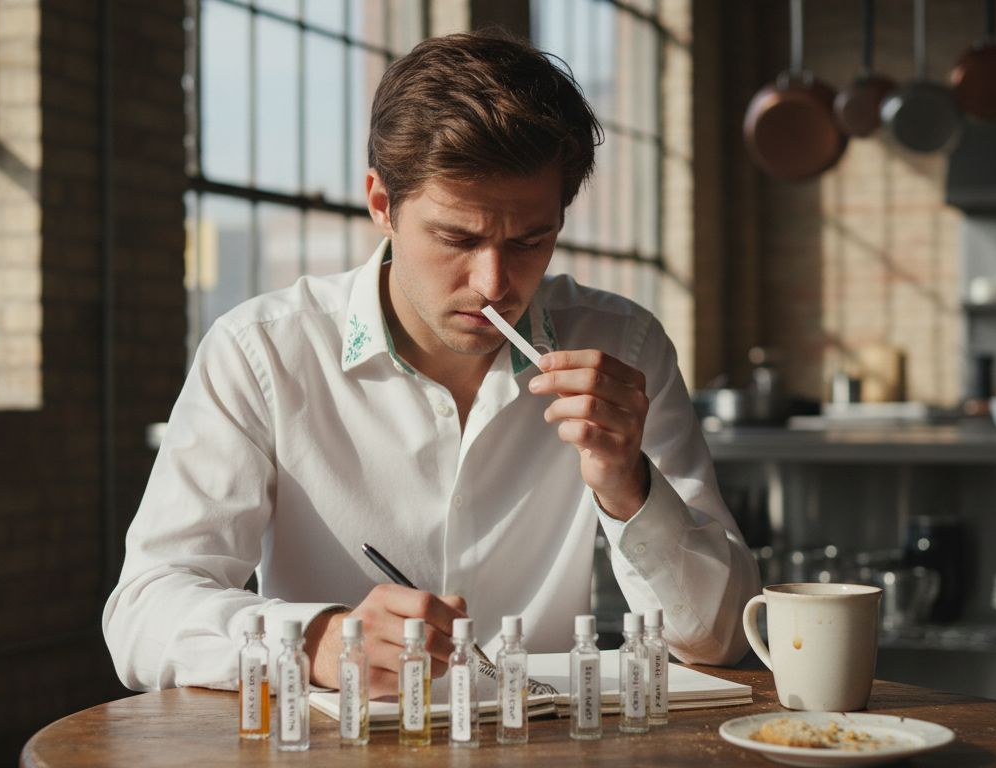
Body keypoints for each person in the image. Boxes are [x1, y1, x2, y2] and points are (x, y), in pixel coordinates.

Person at [103, 31, 759, 698]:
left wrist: (629, 485)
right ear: (382, 205)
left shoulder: (625, 347)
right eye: (457, 238)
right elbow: (143, 612)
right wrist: (318, 642)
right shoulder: (264, 352)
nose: (494, 281)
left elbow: (720, 636)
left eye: (532, 240)